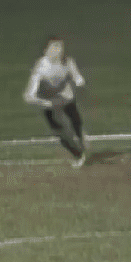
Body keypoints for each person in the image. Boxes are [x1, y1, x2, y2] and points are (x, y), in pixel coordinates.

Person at [24, 36, 88, 167]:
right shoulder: (41, 67)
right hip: (48, 102)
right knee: (59, 132)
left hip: (66, 98)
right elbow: (29, 95)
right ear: (46, 50)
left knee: (77, 123)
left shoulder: (68, 62)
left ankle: (82, 141)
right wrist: (45, 103)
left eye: (60, 47)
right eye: (54, 47)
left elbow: (77, 78)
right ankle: (78, 154)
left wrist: (78, 82)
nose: (58, 51)